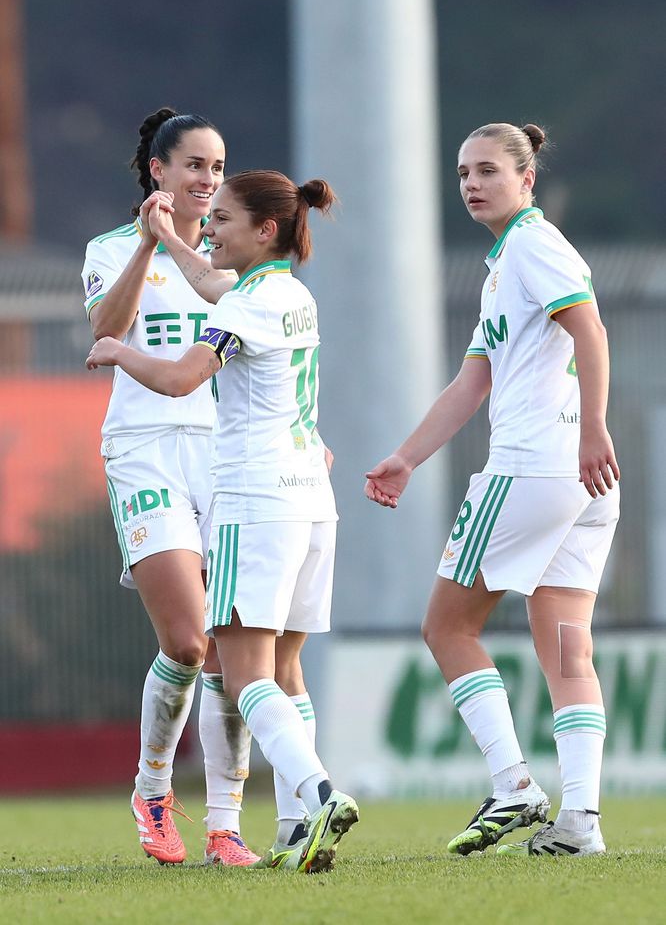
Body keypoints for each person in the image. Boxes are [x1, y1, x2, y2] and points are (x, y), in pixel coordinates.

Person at [86, 169, 360, 873]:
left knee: (243, 676)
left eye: (226, 218)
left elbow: (182, 379)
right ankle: (298, 828)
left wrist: (119, 351)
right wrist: (170, 238)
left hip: (255, 499)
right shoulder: (286, 293)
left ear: (264, 231)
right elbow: (211, 283)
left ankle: (319, 790)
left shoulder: (248, 305)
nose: (213, 227)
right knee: (287, 670)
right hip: (311, 501)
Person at [365, 122, 620, 858]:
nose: (472, 184)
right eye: (462, 173)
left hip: (535, 468)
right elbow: (473, 381)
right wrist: (408, 458)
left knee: (447, 628)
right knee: (568, 649)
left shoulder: (534, 247)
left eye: (488, 171)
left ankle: (513, 784)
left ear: (526, 179)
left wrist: (592, 428)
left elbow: (592, 330)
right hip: (582, 485)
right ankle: (582, 823)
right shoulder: (506, 261)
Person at [81, 107, 259, 867]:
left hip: (225, 452)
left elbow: (263, 347)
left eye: (217, 169)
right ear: (157, 170)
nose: (207, 180)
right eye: (194, 165)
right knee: (187, 641)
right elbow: (103, 329)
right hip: (146, 450)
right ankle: (153, 788)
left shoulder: (226, 260)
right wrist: (150, 244)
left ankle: (226, 825)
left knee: (232, 643)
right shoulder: (110, 248)